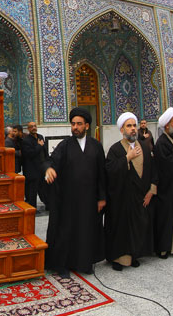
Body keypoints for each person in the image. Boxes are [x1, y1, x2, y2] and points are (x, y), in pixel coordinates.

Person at [43, 108, 106, 277]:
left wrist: (102, 198)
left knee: (86, 231)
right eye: (73, 124)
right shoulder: (65, 145)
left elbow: (102, 174)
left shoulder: (96, 146)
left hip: (89, 200)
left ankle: (84, 263)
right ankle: (62, 265)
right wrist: (49, 169)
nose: (75, 127)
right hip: (68, 200)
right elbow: (50, 161)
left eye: (79, 124)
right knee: (66, 232)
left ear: (87, 126)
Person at [105, 112, 156, 271]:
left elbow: (153, 170)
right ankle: (119, 259)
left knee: (138, 227)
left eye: (134, 125)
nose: (133, 129)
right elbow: (110, 171)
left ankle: (134, 255)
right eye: (129, 126)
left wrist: (151, 191)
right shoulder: (115, 149)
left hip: (141, 197)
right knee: (122, 229)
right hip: (122, 199)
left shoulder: (144, 147)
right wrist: (127, 158)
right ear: (122, 130)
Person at [153, 108, 173, 258]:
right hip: (167, 188)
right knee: (165, 218)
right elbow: (166, 165)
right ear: (167, 125)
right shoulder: (162, 143)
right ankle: (163, 248)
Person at [22, 121, 47, 210]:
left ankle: (48, 205)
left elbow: (44, 150)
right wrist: (39, 146)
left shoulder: (40, 137)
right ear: (28, 129)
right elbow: (30, 154)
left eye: (35, 126)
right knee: (32, 191)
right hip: (32, 170)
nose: (34, 128)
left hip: (42, 168)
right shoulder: (26, 140)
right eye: (31, 126)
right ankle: (32, 209)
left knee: (44, 188)